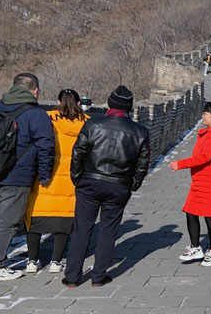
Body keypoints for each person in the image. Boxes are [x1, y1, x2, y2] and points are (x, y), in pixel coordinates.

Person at [63, 85, 150, 288]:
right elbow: (142, 163)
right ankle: (98, 276)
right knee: (108, 231)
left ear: (110, 104)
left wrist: (77, 177)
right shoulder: (140, 131)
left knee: (82, 229)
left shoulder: (93, 124)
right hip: (119, 186)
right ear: (128, 108)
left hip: (89, 182)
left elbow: (78, 153)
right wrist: (133, 184)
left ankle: (73, 277)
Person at [0, 73, 55, 282]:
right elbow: (46, 146)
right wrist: (45, 175)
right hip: (17, 176)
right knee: (8, 222)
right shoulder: (36, 114)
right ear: (35, 91)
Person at [23, 89, 89, 274]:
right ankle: (56, 262)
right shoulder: (87, 122)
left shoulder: (46, 117)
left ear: (58, 100)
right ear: (78, 103)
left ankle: (32, 261)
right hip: (71, 179)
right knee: (64, 220)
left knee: (35, 218)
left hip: (45, 176)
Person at [169, 101, 211, 267]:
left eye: (206, 113)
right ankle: (195, 247)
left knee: (210, 217)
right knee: (190, 211)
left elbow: (204, 157)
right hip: (201, 180)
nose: (203, 116)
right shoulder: (210, 131)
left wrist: (180, 164)